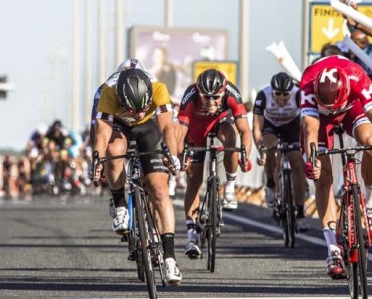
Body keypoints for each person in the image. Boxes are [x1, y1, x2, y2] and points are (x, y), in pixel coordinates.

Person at [299, 54, 372, 278]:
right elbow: (310, 130)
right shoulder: (308, 83)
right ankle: (333, 248)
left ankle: (371, 206)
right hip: (319, 119)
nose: (332, 107)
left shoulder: (357, 77)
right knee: (323, 176)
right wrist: (311, 160)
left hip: (350, 110)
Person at [91, 68, 183, 285]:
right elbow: (102, 134)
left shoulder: (159, 88)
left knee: (159, 189)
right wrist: (96, 158)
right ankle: (120, 203)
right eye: (134, 109)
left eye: (143, 107)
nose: (139, 113)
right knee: (113, 151)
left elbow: (168, 128)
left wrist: (172, 154)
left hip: (150, 130)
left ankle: (169, 258)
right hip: (119, 126)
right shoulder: (108, 93)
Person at [176, 68, 252, 259]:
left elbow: (245, 131)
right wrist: (180, 156)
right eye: (206, 97)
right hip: (196, 127)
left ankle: (229, 188)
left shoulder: (231, 93)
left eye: (215, 97)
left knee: (230, 141)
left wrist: (245, 155)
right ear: (198, 92)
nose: (210, 102)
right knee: (194, 180)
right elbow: (180, 132)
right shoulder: (190, 95)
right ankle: (191, 236)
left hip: (221, 121)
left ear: (223, 92)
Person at [253, 72, 309, 232]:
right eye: (278, 94)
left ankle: (300, 213)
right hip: (270, 126)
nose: (282, 98)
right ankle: (271, 184)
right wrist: (261, 150)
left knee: (298, 164)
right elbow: (257, 127)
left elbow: (307, 123)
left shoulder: (298, 94)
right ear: (272, 91)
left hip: (291, 127)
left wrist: (306, 146)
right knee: (271, 149)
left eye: (286, 94)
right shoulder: (263, 95)